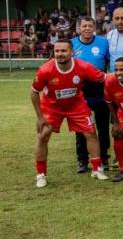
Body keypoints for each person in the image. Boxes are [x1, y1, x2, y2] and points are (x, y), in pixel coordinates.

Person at [31, 40, 108, 187]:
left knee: (91, 133)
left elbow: (104, 77)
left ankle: (97, 169)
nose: (60, 54)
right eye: (57, 51)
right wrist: (40, 117)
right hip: (51, 106)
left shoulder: (83, 66)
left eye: (63, 51)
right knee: (43, 135)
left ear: (71, 52)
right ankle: (41, 174)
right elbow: (34, 92)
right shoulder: (45, 70)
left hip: (76, 105)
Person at [71, 17, 111, 173]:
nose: (87, 28)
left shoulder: (103, 42)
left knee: (102, 126)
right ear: (79, 28)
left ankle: (104, 157)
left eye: (90, 26)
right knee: (81, 127)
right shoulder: (72, 43)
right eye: (84, 26)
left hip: (100, 88)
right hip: (80, 90)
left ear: (95, 27)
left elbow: (109, 62)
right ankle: (82, 160)